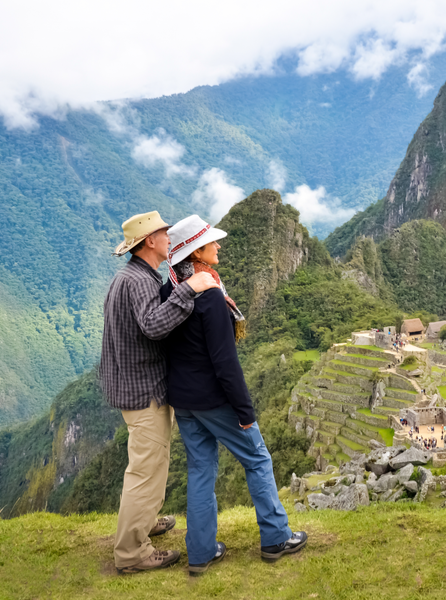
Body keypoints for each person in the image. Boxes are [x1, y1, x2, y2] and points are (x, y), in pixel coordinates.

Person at [160, 215, 307, 576]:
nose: (219, 246)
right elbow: (225, 362)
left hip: (184, 400)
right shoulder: (209, 297)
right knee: (257, 458)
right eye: (212, 242)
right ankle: (275, 537)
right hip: (214, 399)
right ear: (196, 253)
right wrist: (245, 410)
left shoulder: (170, 291)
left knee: (200, 470)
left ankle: (201, 551)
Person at [100, 211, 219, 574]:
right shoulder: (138, 281)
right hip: (143, 390)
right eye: (164, 234)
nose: (169, 239)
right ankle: (132, 553)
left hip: (131, 384)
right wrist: (189, 289)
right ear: (149, 241)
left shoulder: (133, 276)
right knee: (146, 471)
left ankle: (144, 520)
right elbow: (153, 326)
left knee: (149, 465)